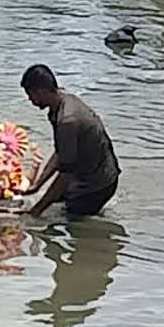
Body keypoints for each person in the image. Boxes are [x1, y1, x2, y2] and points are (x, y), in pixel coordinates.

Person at [20, 64, 121, 217]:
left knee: (67, 222)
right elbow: (61, 153)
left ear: (40, 91)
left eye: (30, 95)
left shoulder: (67, 120)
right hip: (87, 172)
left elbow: (65, 174)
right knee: (53, 203)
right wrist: (37, 185)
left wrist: (36, 211)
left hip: (98, 185)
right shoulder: (62, 101)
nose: (30, 100)